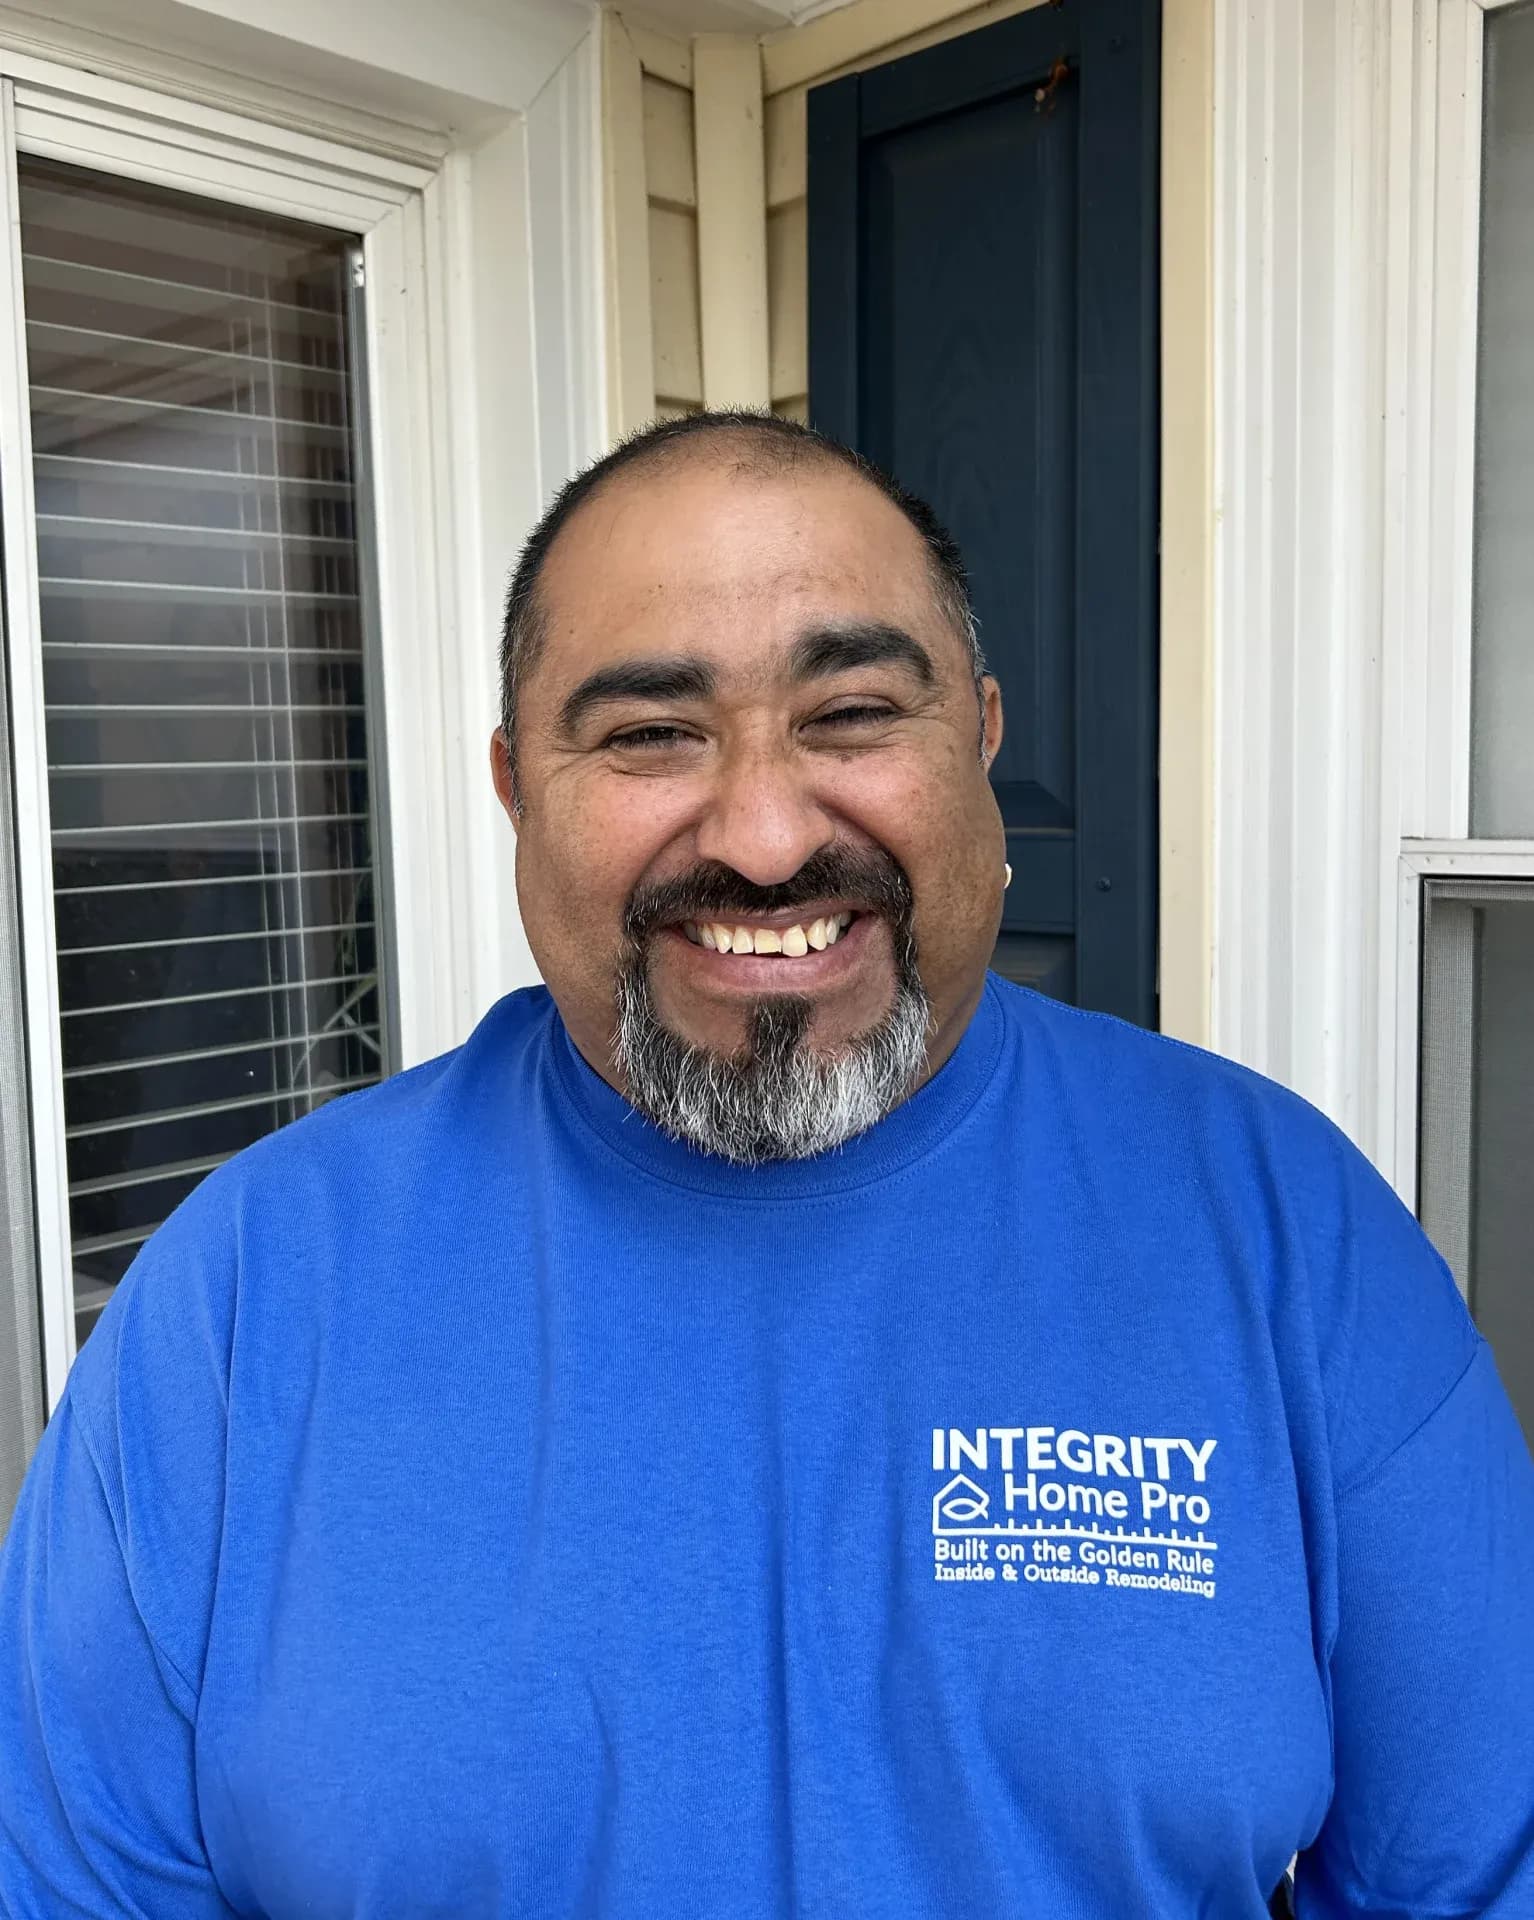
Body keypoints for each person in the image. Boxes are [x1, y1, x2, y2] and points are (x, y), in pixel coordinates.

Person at [1, 412, 1531, 1918]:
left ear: (980, 737)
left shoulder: (1276, 1229)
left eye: (853, 712)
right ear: (514, 783)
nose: (761, 834)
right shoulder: (253, 1287)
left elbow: (1471, 1872)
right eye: (649, 734)